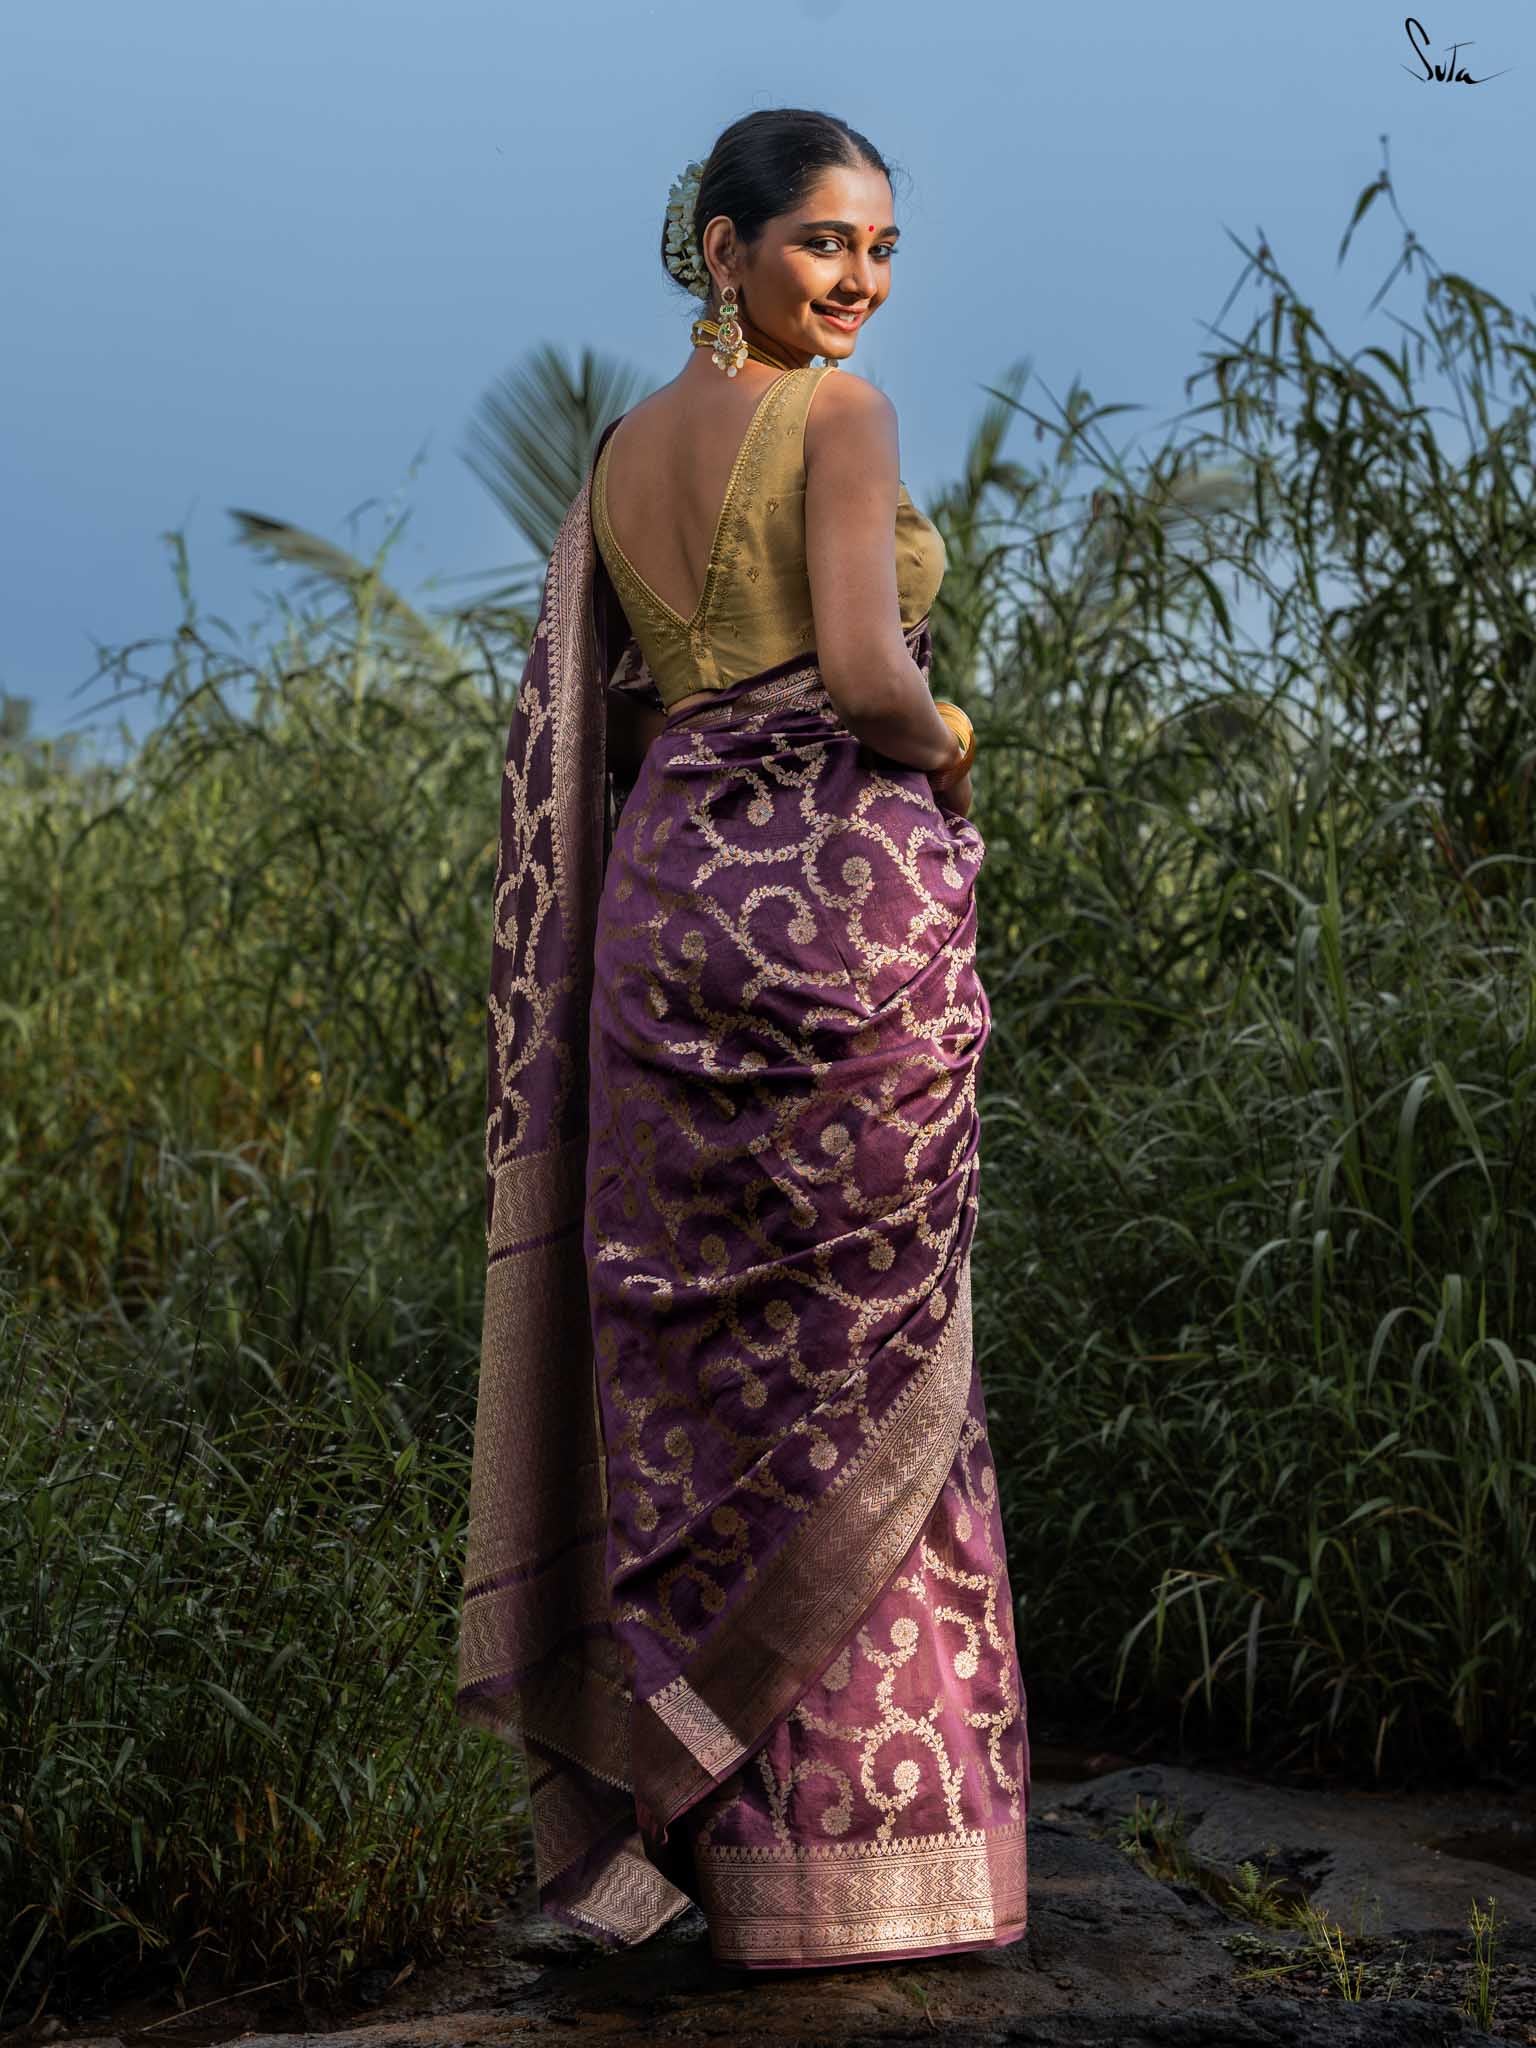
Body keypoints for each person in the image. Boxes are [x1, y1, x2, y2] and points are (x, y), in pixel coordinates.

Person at [455, 106, 1029, 1973]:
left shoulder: (619, 456)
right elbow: (867, 677)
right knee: (862, 1369)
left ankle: (709, 1846)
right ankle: (865, 1864)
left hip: (669, 922)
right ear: (725, 249)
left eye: (880, 249)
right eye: (821, 244)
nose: (859, 282)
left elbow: (627, 720)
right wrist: (956, 747)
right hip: (834, 932)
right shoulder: (841, 419)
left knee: (703, 1384)